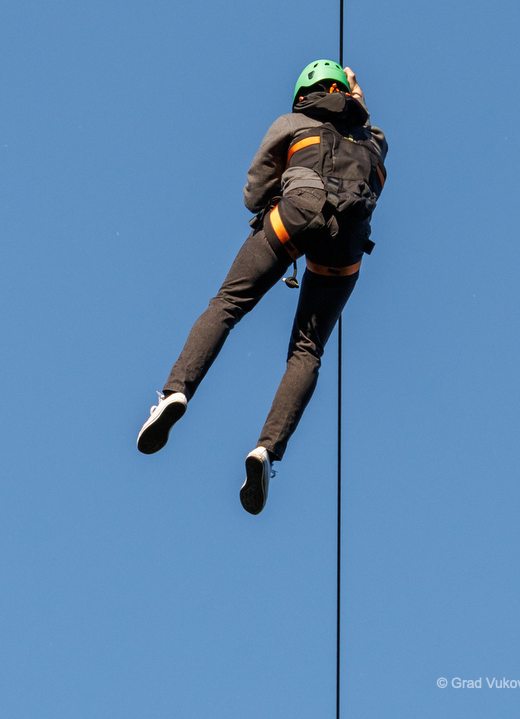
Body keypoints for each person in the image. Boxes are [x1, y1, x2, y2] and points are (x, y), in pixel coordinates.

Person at [136, 60, 388, 514]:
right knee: (308, 350)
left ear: (302, 95)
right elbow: (372, 132)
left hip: (296, 215)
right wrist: (357, 102)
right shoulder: (373, 142)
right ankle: (266, 450)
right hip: (347, 243)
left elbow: (255, 192)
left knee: (227, 304)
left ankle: (176, 392)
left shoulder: (291, 123)